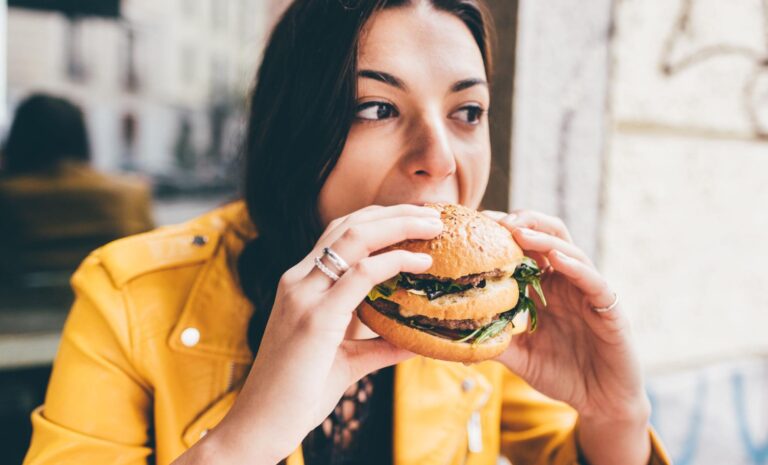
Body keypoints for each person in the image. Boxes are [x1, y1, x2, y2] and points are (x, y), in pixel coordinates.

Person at [23, 1, 671, 465]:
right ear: (297, 127)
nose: (440, 158)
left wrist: (615, 417)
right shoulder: (126, 294)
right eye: (377, 107)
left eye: (468, 112)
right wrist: (249, 436)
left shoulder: (474, 312)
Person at [0, 93, 154, 276]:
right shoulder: (131, 194)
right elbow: (149, 261)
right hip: (105, 302)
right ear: (81, 136)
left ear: (19, 138)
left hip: (16, 304)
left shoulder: (9, 196)